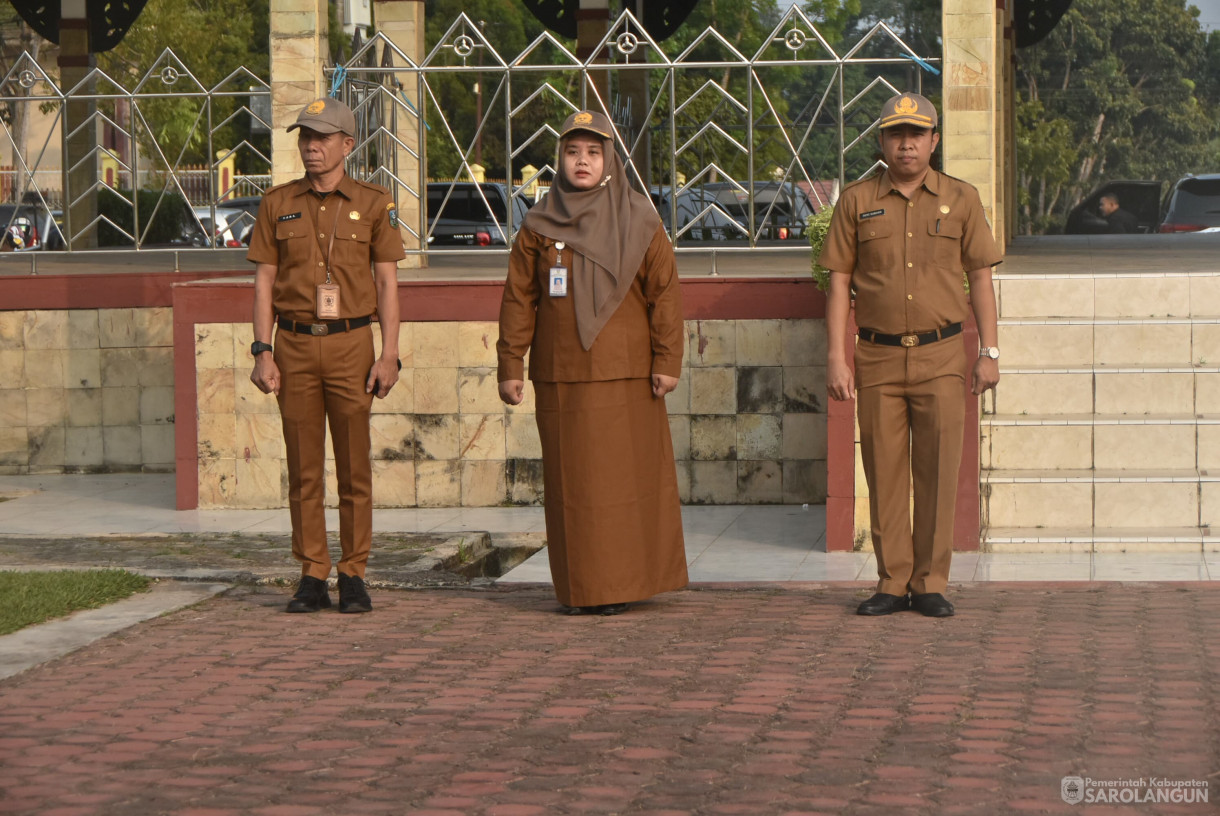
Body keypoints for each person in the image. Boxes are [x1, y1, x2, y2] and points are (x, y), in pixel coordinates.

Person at [497, 110, 687, 616]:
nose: (582, 161)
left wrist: (667, 359)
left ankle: (623, 584)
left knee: (624, 487)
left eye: (593, 152)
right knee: (573, 489)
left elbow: (664, 296)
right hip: (562, 375)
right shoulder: (538, 224)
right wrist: (511, 364)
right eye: (573, 152)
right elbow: (519, 299)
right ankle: (582, 589)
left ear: (610, 161)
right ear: (560, 159)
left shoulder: (640, 219)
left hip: (627, 374)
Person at [820, 93, 1002, 618]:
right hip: (876, 357)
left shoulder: (962, 199)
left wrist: (988, 351)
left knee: (939, 471)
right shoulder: (856, 201)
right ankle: (892, 580)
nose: (907, 143)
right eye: (897, 134)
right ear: (882, 141)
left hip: (943, 353)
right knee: (884, 472)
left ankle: (930, 582)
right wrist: (837, 356)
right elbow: (839, 283)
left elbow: (982, 279)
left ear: (934, 142)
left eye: (917, 134)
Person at [246, 97, 404, 614]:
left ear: (347, 145)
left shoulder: (375, 202)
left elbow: (387, 282)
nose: (311, 148)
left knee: (354, 467)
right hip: (291, 345)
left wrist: (390, 355)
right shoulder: (277, 203)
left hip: (352, 344)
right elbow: (264, 281)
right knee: (303, 466)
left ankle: (353, 571)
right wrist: (262, 351)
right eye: (304, 138)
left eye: (322, 138)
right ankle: (312, 571)